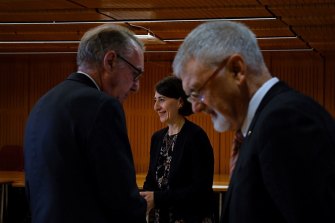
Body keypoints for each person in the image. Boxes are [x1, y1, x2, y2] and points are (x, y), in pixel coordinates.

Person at [172, 21, 335, 223]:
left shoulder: (285, 121)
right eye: (191, 97)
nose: (196, 107)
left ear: (237, 70)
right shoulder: (261, 125)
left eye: (198, 92)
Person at [24, 24, 147, 223]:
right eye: (135, 74)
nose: (136, 86)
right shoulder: (102, 106)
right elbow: (119, 196)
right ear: (110, 61)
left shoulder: (43, 103)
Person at [140, 76, 214, 223]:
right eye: (155, 100)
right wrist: (144, 197)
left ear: (180, 102)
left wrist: (157, 198)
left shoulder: (196, 137)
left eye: (161, 100)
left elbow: (200, 190)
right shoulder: (157, 138)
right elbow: (151, 180)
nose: (156, 107)